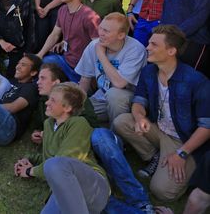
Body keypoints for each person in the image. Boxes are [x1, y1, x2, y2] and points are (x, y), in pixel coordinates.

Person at [113, 25, 210, 202]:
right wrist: (140, 116)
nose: (147, 47)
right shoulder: (149, 71)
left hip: (184, 140)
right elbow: (138, 101)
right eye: (149, 43)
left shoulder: (196, 81)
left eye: (154, 44)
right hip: (159, 130)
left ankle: (188, 167)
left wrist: (182, 153)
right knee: (121, 122)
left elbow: (207, 127)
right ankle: (157, 158)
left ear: (171, 50)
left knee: (161, 192)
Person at [15, 84, 110, 214]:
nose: (47, 102)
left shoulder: (79, 123)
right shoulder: (48, 124)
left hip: (93, 189)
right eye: (49, 99)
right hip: (63, 190)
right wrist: (27, 159)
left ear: (68, 108)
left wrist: (30, 171)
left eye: (53, 100)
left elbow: (62, 160)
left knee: (55, 164)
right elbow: (49, 158)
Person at [75, 13, 148, 125]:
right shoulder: (94, 45)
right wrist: (77, 105)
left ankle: (118, 136)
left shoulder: (135, 50)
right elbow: (85, 79)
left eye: (106, 31)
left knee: (114, 95)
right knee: (72, 104)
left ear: (121, 35)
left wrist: (101, 55)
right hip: (101, 97)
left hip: (128, 100)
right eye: (101, 28)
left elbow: (120, 83)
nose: (101, 34)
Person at [37, 0, 100, 82]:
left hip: (82, 69)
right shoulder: (62, 10)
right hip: (66, 60)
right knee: (44, 63)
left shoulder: (89, 16)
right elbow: (54, 35)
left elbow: (98, 45)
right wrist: (39, 55)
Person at [30, 64, 99, 144]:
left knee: (99, 135)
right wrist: (37, 133)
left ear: (56, 82)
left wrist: (53, 135)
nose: (38, 82)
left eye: (43, 78)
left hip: (84, 138)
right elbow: (39, 125)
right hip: (64, 145)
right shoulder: (43, 101)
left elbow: (91, 123)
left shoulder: (74, 95)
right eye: (38, 78)